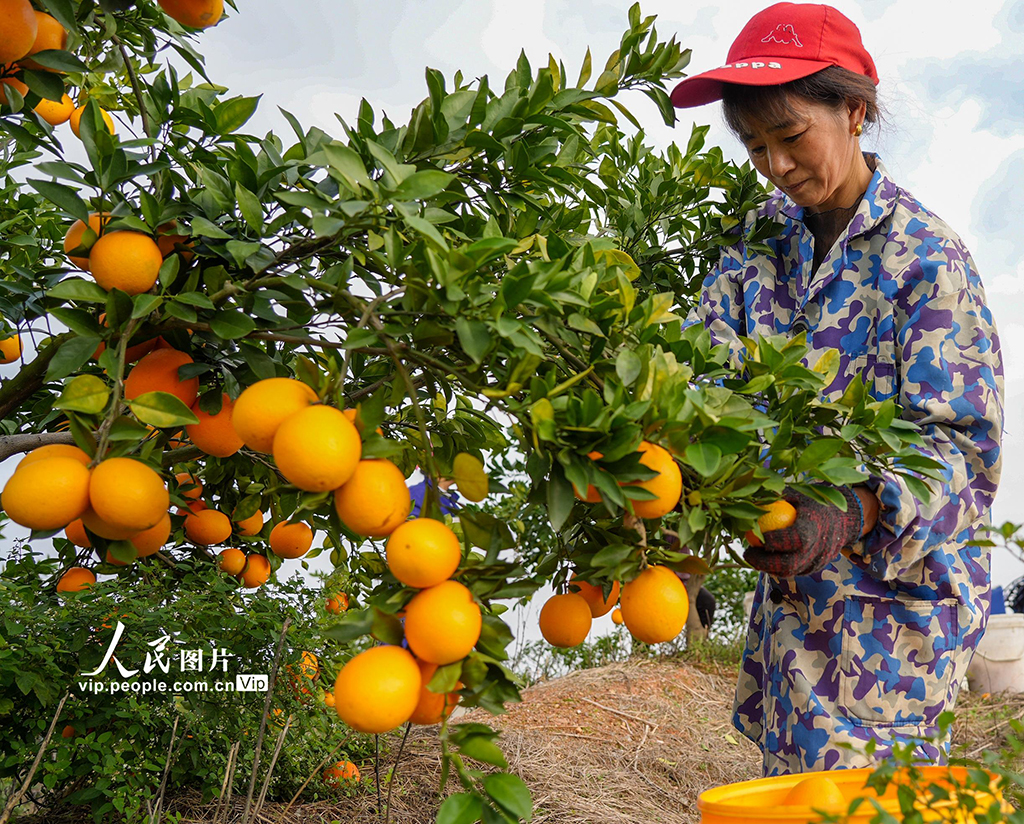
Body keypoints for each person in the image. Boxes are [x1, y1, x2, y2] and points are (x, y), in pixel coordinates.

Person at [669, 2, 1003, 776]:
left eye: (791, 138)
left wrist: (857, 505)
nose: (776, 166)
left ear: (853, 111)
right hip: (788, 622)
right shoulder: (756, 244)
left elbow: (963, 450)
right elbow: (696, 381)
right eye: (756, 147)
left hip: (889, 636)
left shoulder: (926, 261)